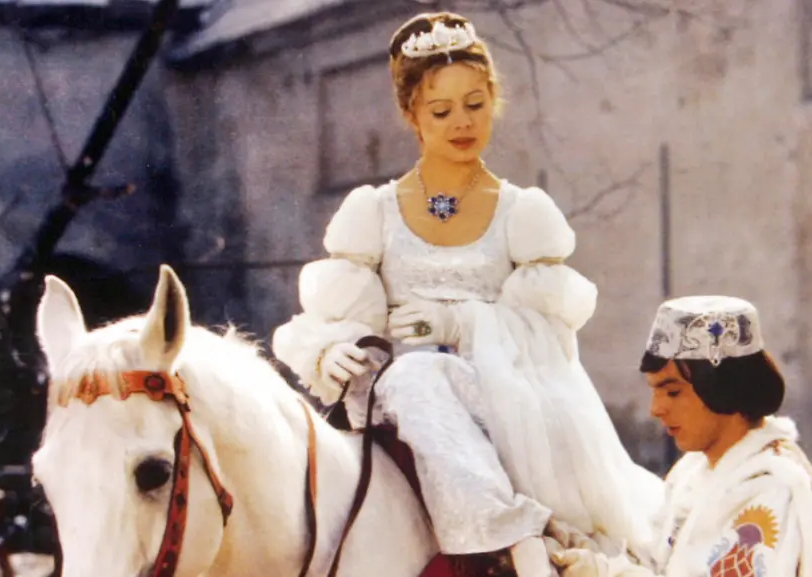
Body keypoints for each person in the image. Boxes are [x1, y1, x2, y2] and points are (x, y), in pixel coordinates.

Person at [271, 11, 665, 577]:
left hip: (500, 394)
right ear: (412, 114)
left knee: (424, 374)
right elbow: (332, 315)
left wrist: (459, 325)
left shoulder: (521, 213)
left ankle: (510, 539)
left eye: (475, 104)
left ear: (493, 101)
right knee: (415, 375)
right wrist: (330, 348)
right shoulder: (374, 212)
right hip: (401, 400)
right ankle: (514, 537)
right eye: (442, 110)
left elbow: (552, 335)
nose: (462, 122)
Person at [550, 295, 812, 576]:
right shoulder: (692, 471)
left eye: (672, 392)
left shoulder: (771, 487)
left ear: (723, 388)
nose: (656, 409)